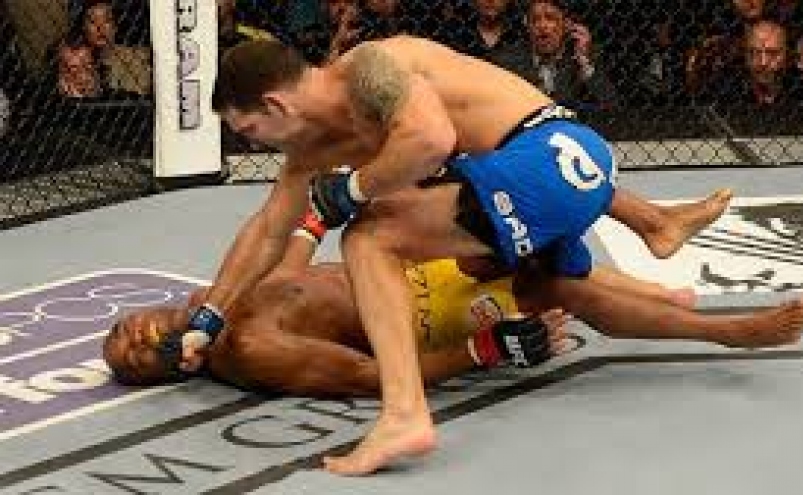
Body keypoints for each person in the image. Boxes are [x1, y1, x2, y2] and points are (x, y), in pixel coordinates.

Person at [186, 36, 737, 474]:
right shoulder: (315, 145)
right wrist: (210, 317)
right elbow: (268, 231)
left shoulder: (370, 69)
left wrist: (353, 189)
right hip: (567, 173)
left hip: (547, 158)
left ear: (275, 104)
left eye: (249, 130)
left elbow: (430, 139)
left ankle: (404, 413)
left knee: (369, 236)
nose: (253, 143)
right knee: (543, 278)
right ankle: (659, 235)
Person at [106, 213, 803, 394]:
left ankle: (656, 284)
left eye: (118, 330)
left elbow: (292, 273)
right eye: (133, 355)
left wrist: (315, 216)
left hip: (404, 266)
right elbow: (371, 375)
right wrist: (485, 349)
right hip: (419, 316)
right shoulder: (248, 350)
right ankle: (727, 332)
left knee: (523, 221)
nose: (129, 333)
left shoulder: (215, 300)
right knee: (562, 288)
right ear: (177, 364)